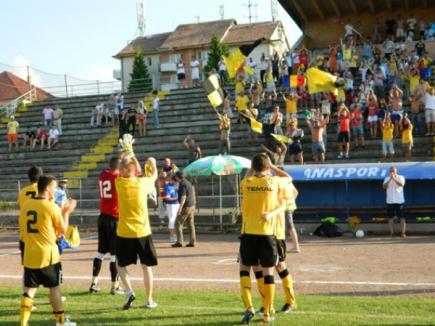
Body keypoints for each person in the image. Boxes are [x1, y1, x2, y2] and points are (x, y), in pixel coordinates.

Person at [18, 175, 77, 326]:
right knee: (54, 288)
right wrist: (66, 213)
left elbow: (23, 232)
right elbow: (62, 230)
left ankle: (23, 323)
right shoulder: (52, 207)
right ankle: (61, 322)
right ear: (48, 188)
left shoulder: (25, 205)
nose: (56, 189)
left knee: (30, 290)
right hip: (48, 255)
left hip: (30, 253)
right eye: (54, 187)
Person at [239, 153, 289, 324]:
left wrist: (253, 168)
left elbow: (247, 177)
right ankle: (267, 313)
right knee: (268, 272)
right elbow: (287, 177)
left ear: (253, 167)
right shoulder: (274, 182)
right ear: (267, 167)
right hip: (267, 234)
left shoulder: (246, 183)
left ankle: (249, 308)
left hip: (248, 234)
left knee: (245, 270)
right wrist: (272, 166)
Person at [115, 153, 158, 310]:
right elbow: (153, 174)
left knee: (119, 265)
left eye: (121, 167)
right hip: (142, 231)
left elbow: (128, 168)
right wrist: (152, 162)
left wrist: (130, 155)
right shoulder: (143, 183)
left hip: (124, 232)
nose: (119, 169)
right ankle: (149, 300)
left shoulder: (119, 183)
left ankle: (129, 291)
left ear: (125, 170)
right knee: (146, 267)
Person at [89, 157, 124, 295]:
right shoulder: (117, 177)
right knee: (115, 254)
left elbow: (110, 170)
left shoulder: (103, 174)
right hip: (114, 218)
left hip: (102, 216)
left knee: (100, 252)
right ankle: (114, 286)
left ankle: (94, 283)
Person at [172, 171, 196, 248]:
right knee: (190, 224)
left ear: (178, 177)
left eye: (176, 176)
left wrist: (180, 207)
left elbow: (183, 197)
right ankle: (192, 241)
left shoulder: (182, 184)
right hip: (191, 205)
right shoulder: (187, 182)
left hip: (186, 206)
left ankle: (179, 242)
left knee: (178, 223)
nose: (175, 177)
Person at [383, 167, 406, 238]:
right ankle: (392, 233)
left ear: (396, 171)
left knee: (402, 217)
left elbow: (402, 184)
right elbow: (384, 187)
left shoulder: (401, 177)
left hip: (399, 201)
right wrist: (390, 179)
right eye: (391, 171)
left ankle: (403, 233)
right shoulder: (387, 178)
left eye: (394, 171)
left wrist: (394, 178)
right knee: (390, 218)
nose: (392, 172)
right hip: (390, 201)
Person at [162, 175, 180, 243]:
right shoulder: (168, 187)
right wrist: (175, 198)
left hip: (176, 204)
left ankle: (175, 235)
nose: (176, 182)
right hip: (171, 205)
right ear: (172, 180)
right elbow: (166, 198)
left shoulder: (176, 185)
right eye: (175, 181)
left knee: (174, 220)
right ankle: (172, 236)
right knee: (172, 219)